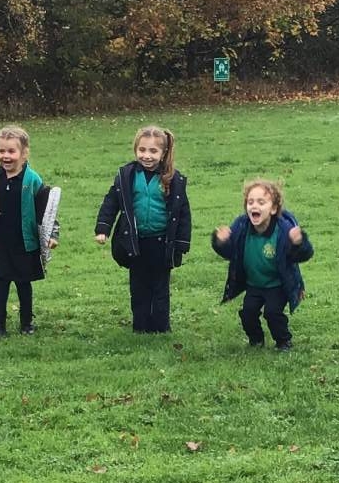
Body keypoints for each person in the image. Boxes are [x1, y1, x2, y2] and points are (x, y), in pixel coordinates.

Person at [0, 126, 61, 336]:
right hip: (1, 242)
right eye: (2, 151)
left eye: (11, 151)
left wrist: (52, 234)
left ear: (24, 153)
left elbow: (46, 209)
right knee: (1, 282)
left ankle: (26, 323)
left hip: (24, 242)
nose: (6, 156)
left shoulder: (32, 180)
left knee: (24, 284)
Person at [94, 126, 191, 333]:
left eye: (153, 151)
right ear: (135, 149)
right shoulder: (126, 176)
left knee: (160, 287)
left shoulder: (173, 179)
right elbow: (111, 202)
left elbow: (183, 212)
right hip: (135, 242)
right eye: (142, 150)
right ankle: (140, 326)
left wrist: (182, 242)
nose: (147, 156)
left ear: (163, 153)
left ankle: (161, 327)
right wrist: (103, 228)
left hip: (162, 243)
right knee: (138, 287)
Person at [211, 179, 312, 350]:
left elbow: (302, 255)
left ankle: (283, 341)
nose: (254, 206)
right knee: (247, 314)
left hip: (277, 284)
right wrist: (221, 242)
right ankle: (256, 340)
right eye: (250, 202)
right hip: (254, 284)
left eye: (261, 202)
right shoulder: (241, 226)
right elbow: (231, 252)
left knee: (272, 313)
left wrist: (298, 243)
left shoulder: (284, 230)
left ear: (273, 209)